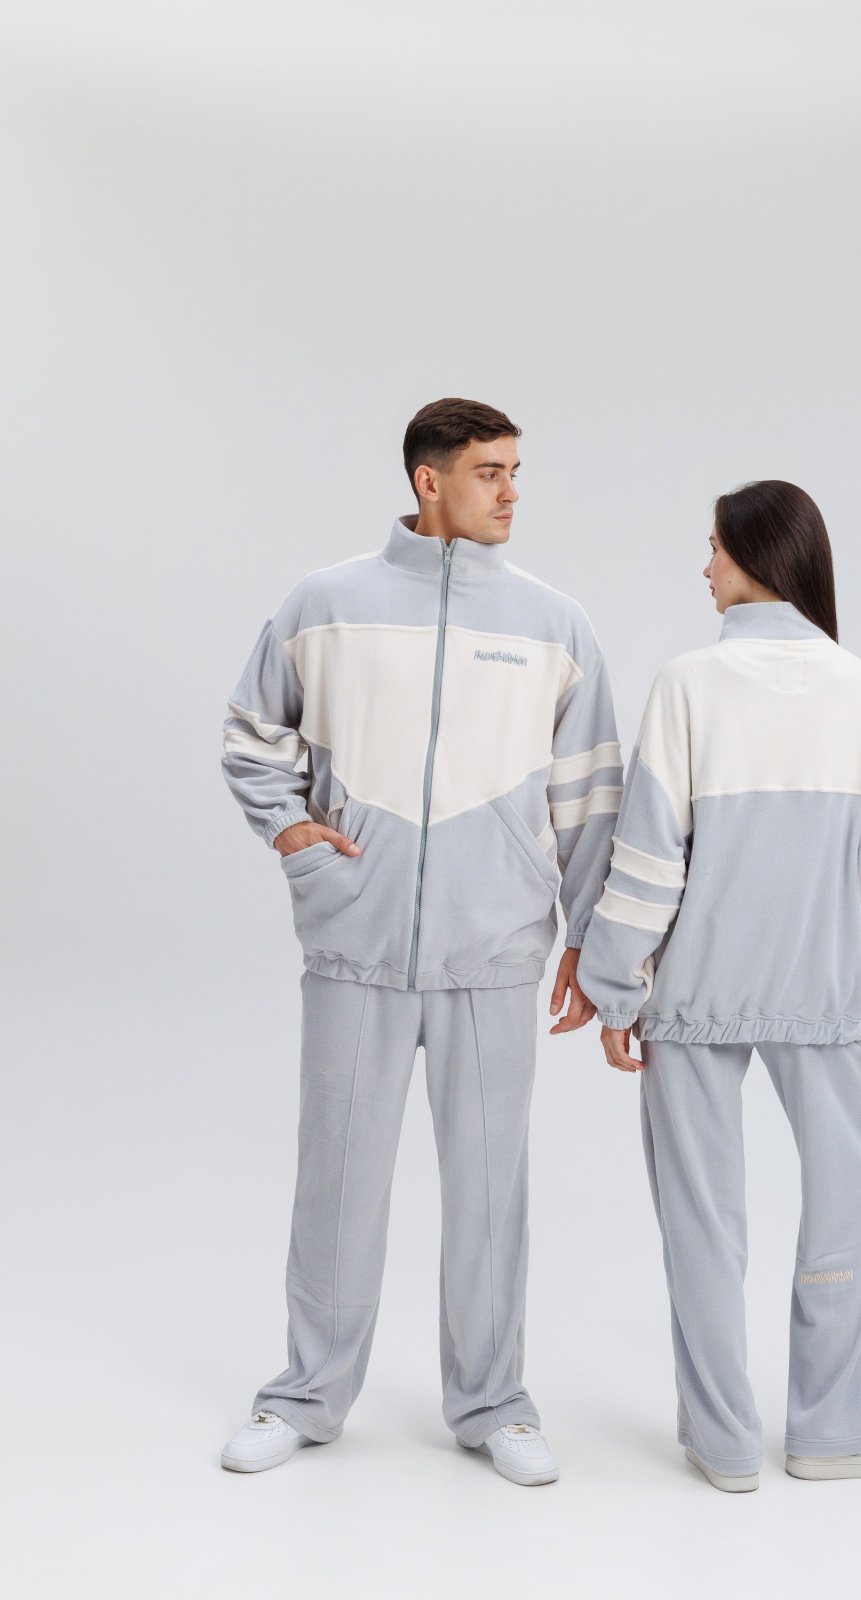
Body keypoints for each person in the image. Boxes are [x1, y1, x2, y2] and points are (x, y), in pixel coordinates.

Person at [219, 398, 621, 1484]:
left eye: (515, 470)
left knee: (489, 1190)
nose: (511, 491)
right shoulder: (326, 603)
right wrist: (292, 832)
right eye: (490, 471)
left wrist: (585, 939)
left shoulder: (554, 624)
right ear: (427, 480)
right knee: (337, 1183)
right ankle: (305, 1396)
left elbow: (591, 795)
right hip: (355, 944)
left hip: (494, 949)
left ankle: (494, 1404)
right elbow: (252, 732)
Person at [578, 480, 861, 1491]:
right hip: (824, 995)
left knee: (700, 1218)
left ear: (758, 555)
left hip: (690, 996)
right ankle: (833, 1428)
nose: (703, 568)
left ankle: (724, 1442)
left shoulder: (686, 684)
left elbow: (648, 859)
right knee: (846, 1203)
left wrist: (614, 986)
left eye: (715, 550)